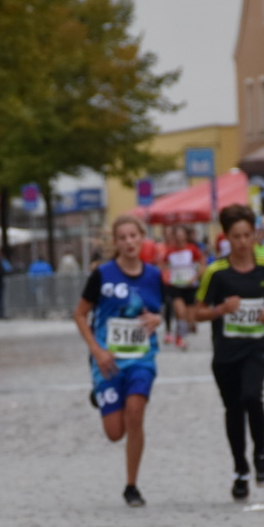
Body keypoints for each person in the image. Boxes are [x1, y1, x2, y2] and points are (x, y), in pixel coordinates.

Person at [73, 213, 164, 507]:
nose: (129, 242)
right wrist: (96, 351)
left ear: (142, 238)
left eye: (133, 236)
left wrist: (157, 319)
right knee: (115, 433)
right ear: (115, 242)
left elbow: (158, 312)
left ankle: (131, 486)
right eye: (122, 237)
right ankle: (102, 396)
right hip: (108, 360)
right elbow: (80, 314)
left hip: (141, 358)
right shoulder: (102, 275)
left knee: (135, 412)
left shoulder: (153, 275)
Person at [193, 205, 264, 500]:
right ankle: (240, 469)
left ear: (255, 235)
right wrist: (221, 309)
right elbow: (197, 313)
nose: (243, 242)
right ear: (226, 237)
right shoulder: (216, 272)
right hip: (226, 352)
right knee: (233, 409)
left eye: (247, 235)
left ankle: (261, 455)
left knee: (252, 396)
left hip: (257, 345)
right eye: (236, 236)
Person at [160, 225, 202, 349]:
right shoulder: (170, 251)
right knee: (180, 311)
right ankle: (180, 338)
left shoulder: (192, 249)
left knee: (189, 317)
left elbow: (202, 264)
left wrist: (195, 276)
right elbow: (163, 265)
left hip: (190, 286)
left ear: (185, 236)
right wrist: (167, 276)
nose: (179, 238)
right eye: (177, 235)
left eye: (181, 235)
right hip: (176, 286)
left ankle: (186, 329)